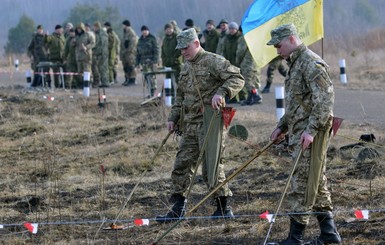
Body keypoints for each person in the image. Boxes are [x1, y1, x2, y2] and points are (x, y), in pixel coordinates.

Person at [156, 28, 245, 223]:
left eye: (186, 48)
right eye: (180, 50)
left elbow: (238, 78)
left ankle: (223, 207)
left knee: (210, 167)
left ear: (196, 43)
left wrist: (221, 92)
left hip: (210, 123)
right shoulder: (186, 66)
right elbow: (181, 96)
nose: (183, 52)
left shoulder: (213, 61)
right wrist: (173, 118)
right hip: (189, 124)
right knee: (181, 164)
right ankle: (177, 209)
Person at [268, 24, 341, 245]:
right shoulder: (296, 63)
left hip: (310, 134)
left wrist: (310, 131)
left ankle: (295, 238)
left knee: (302, 182)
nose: (277, 50)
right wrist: (282, 126)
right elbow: (296, 104)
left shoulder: (311, 63)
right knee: (316, 182)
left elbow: (325, 101)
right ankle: (329, 235)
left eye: (279, 45)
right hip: (299, 132)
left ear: (291, 39)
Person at [235, 29, 262, 105]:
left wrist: (238, 61)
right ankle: (249, 99)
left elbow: (240, 51)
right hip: (255, 63)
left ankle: (256, 96)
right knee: (253, 80)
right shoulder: (255, 37)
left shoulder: (244, 38)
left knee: (247, 81)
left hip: (247, 63)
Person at [136, 25, 159, 97]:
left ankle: (154, 93)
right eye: (143, 31)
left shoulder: (152, 39)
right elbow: (137, 53)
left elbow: (156, 50)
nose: (144, 32)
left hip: (151, 61)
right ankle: (150, 92)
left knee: (152, 77)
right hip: (143, 62)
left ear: (148, 31)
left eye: (145, 30)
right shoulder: (140, 40)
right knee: (146, 77)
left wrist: (155, 61)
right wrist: (137, 63)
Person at [74, 22, 95, 88]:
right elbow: (73, 45)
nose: (78, 30)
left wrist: (86, 47)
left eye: (80, 29)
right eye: (77, 29)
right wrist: (73, 42)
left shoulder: (88, 34)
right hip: (79, 56)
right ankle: (81, 84)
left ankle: (89, 83)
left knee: (87, 71)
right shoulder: (77, 36)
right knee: (80, 72)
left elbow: (93, 43)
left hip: (86, 56)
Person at [45, 24, 65, 88]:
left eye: (61, 29)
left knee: (65, 72)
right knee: (56, 73)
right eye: (60, 29)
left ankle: (64, 84)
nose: (61, 30)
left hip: (62, 57)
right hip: (54, 58)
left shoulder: (62, 37)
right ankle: (57, 86)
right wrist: (46, 36)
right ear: (56, 30)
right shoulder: (52, 36)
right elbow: (47, 40)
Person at [121, 20, 138, 86]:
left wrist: (129, 51)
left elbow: (133, 44)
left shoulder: (131, 33)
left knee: (131, 66)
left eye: (123, 25)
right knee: (126, 66)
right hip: (125, 53)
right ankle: (127, 78)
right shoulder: (125, 33)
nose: (122, 27)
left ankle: (132, 79)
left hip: (130, 53)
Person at [92, 21, 109, 88]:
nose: (93, 29)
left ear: (97, 27)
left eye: (94, 27)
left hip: (102, 54)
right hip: (99, 53)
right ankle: (103, 81)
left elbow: (103, 45)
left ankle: (105, 82)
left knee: (103, 68)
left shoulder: (102, 34)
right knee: (100, 68)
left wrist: (102, 53)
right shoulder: (97, 33)